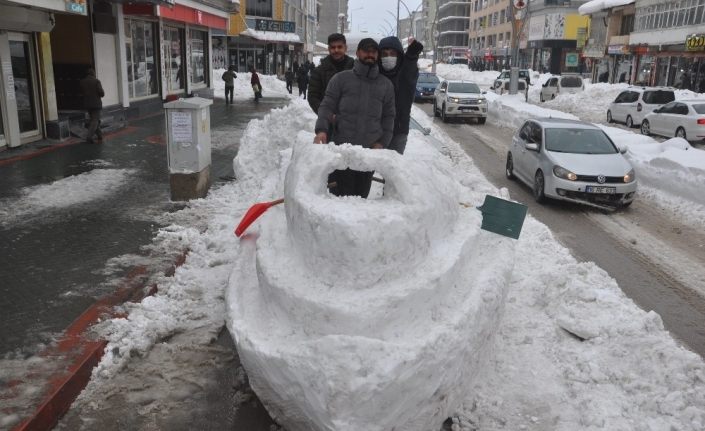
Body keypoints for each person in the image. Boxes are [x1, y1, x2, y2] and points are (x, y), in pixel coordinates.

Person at [313, 38, 395, 198]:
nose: (369, 54)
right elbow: (326, 106)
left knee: (360, 198)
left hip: (368, 154)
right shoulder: (341, 79)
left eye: (373, 52)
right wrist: (321, 130)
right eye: (366, 51)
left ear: (377, 55)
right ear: (357, 53)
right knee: (339, 199)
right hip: (342, 152)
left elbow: (389, 117)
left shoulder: (386, 85)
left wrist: (381, 143)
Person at [378, 36, 423, 155]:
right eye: (384, 54)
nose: (388, 57)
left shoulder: (405, 76)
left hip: (398, 131)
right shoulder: (375, 74)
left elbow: (410, 67)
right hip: (375, 131)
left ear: (399, 55)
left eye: (392, 53)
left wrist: (412, 55)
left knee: (392, 168)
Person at [308, 33, 355, 114]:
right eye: (333, 47)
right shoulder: (319, 72)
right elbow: (313, 97)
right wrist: (326, 114)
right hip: (328, 122)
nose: (336, 50)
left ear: (345, 48)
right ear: (329, 49)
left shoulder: (355, 69)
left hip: (352, 121)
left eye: (339, 47)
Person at [80, 68, 104, 144]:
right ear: (93, 74)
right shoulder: (96, 81)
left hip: (87, 104)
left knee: (94, 120)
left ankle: (100, 135)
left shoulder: (82, 82)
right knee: (95, 121)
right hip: (96, 104)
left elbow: (81, 92)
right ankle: (89, 137)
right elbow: (101, 93)